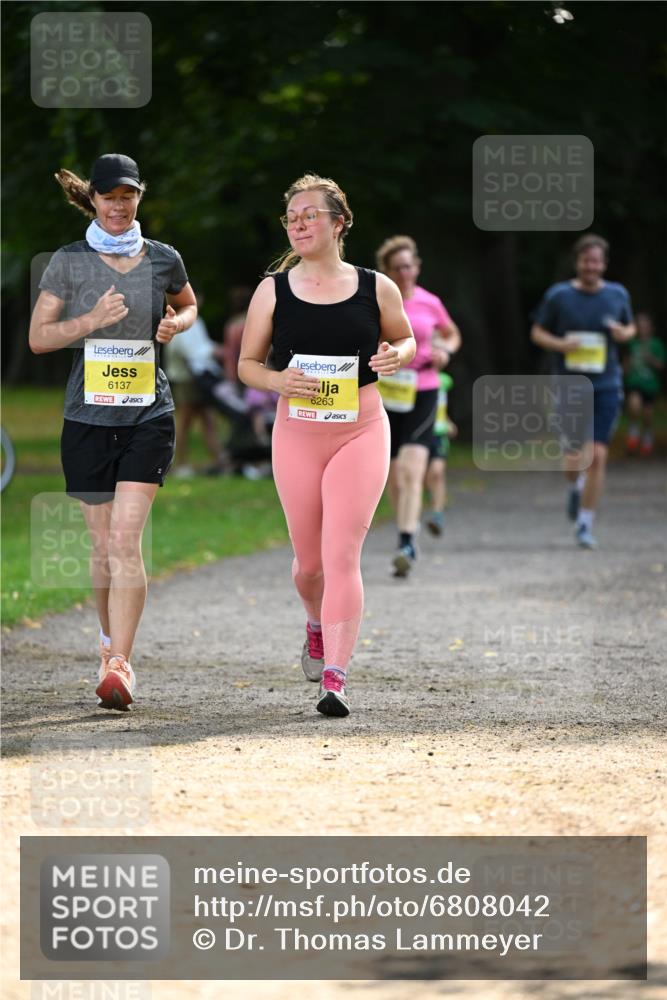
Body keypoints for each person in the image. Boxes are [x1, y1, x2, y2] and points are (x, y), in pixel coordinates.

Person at [238, 174, 415, 717]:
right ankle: (314, 623)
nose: (297, 224)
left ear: (339, 223)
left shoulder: (376, 286)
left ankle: (335, 675)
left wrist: (398, 355)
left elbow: (406, 338)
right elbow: (247, 365)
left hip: (361, 429)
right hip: (297, 433)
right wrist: (277, 380)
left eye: (309, 215)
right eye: (291, 217)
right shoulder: (272, 290)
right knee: (310, 566)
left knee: (342, 555)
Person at [29, 153, 197, 709]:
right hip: (87, 419)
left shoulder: (164, 258)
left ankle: (121, 664)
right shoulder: (69, 262)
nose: (119, 206)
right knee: (103, 547)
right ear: (94, 200)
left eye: (128, 196)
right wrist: (91, 321)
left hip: (149, 414)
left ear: (138, 198)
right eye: (109, 197)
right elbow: (39, 338)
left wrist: (175, 323)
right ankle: (107, 645)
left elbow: (188, 304)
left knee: (125, 540)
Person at [530, 233, 636, 549]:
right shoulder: (559, 295)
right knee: (575, 456)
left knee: (598, 455)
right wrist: (561, 344)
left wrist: (623, 333)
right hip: (569, 384)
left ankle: (585, 524)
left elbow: (630, 328)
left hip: (606, 384)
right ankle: (575, 487)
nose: (591, 266)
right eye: (586, 261)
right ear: (578, 262)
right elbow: (537, 332)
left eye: (596, 261)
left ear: (604, 264)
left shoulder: (617, 294)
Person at [375, 235, 461, 577]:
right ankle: (405, 530)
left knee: (412, 471)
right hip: (387, 393)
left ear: (417, 267)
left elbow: (452, 333)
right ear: (387, 271)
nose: (404, 273)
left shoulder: (430, 302)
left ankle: (406, 542)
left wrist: (445, 351)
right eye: (397, 268)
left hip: (424, 389)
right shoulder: (378, 301)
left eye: (409, 266)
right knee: (394, 476)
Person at [164, 295, 230, 477]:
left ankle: (219, 460)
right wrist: (214, 351)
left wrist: (216, 349)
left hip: (200, 378)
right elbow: (186, 350)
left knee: (208, 419)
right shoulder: (177, 320)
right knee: (185, 422)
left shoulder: (196, 320)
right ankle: (179, 464)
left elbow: (203, 345)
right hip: (186, 378)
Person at [623, 312, 664, 456]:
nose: (643, 329)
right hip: (634, 383)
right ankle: (633, 434)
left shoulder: (656, 344)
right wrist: (626, 368)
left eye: (645, 326)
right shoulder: (632, 344)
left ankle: (647, 438)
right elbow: (626, 364)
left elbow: (661, 365)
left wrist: (650, 359)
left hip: (650, 385)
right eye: (640, 326)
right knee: (634, 407)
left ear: (651, 328)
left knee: (648, 415)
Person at [424, 367, 457, 536]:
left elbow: (440, 406)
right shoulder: (415, 379)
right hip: (420, 432)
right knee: (422, 477)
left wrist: (447, 421)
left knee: (437, 473)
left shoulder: (444, 380)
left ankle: (437, 516)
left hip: (439, 433)